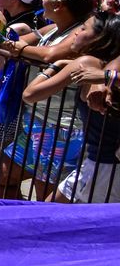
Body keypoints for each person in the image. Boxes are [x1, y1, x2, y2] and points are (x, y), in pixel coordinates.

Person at [23, 11, 120, 203]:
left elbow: (30, 94)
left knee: (52, 219)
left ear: (100, 38)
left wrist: (56, 65)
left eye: (83, 28)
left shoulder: (87, 64)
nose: (76, 32)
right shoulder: (102, 66)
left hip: (103, 170)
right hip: (97, 166)